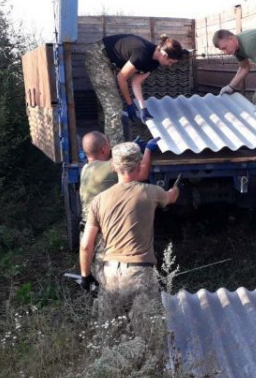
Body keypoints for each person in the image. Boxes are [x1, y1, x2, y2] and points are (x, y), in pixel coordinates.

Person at [79, 139, 178, 334]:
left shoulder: (98, 201)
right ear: (140, 164)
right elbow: (170, 197)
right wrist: (175, 190)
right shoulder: (151, 193)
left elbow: (86, 245)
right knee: (149, 335)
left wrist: (86, 277)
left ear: (114, 166)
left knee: (109, 335)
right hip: (140, 274)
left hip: (110, 274)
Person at [85, 33, 188, 144]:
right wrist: (129, 104)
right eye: (171, 62)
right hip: (98, 54)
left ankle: (103, 143)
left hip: (110, 59)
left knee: (108, 105)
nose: (170, 65)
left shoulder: (154, 62)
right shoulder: (142, 53)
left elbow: (136, 82)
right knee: (113, 106)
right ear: (164, 55)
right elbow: (122, 78)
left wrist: (143, 108)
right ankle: (116, 152)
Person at [78, 131, 118, 296]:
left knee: (97, 273)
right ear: (104, 149)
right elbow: (140, 172)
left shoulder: (86, 169)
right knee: (109, 278)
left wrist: (85, 276)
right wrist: (143, 150)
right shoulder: (109, 168)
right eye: (109, 144)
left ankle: (92, 285)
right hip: (102, 231)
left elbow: (85, 247)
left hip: (87, 226)